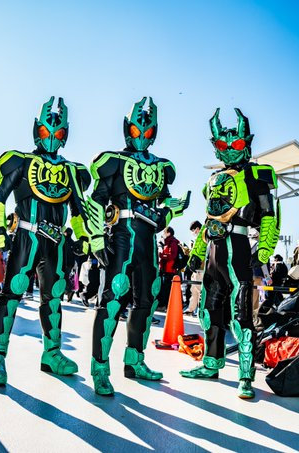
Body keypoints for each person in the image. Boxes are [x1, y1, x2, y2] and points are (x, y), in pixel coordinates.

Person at [86, 97, 190, 396]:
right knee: (112, 300)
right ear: (127, 128)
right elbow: (97, 199)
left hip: (147, 242)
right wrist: (96, 237)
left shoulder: (161, 166)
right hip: (121, 238)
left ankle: (134, 360)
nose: (142, 134)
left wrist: (172, 210)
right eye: (136, 129)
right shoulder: (113, 161)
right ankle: (100, 369)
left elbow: (162, 212)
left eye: (147, 130)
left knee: (147, 300)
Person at [0, 97, 90, 385]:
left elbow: (78, 209)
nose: (51, 137)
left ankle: (52, 353)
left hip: (56, 241)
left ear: (65, 134)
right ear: (36, 130)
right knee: (12, 292)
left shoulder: (72, 170)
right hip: (27, 236)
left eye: (57, 132)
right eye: (45, 131)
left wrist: (83, 236)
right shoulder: (21, 161)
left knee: (53, 296)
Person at [180, 108, 279, 399]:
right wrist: (197, 253)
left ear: (246, 144)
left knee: (241, 315)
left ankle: (246, 376)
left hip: (237, 248)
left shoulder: (257, 174)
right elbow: (209, 218)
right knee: (208, 312)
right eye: (223, 145)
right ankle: (211, 363)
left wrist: (264, 251)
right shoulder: (213, 179)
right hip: (214, 249)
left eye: (235, 144)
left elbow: (269, 216)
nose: (229, 150)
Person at [184, 221, 204, 316]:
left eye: (193, 230)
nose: (193, 232)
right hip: (195, 269)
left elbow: (202, 253)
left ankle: (200, 310)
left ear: (197, 229)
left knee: (200, 290)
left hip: (200, 268)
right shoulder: (197, 239)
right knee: (194, 290)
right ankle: (191, 309)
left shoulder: (203, 237)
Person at [157, 226, 180, 310]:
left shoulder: (172, 242)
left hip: (169, 269)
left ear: (169, 233)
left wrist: (161, 255)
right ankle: (162, 305)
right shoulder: (167, 242)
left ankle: (163, 305)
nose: (163, 234)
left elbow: (172, 255)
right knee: (163, 287)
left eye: (164, 232)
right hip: (165, 268)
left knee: (166, 288)